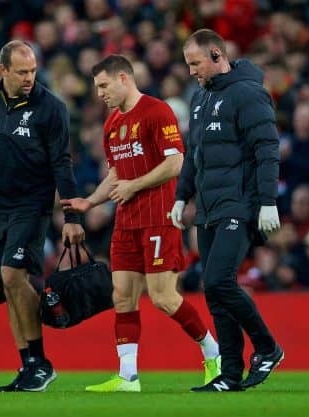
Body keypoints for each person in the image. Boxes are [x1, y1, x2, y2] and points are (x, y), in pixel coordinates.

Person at [61, 54, 221, 393]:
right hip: (127, 220)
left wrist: (135, 186)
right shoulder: (111, 124)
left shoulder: (156, 111)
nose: (100, 93)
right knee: (122, 297)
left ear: (123, 78)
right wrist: (89, 201)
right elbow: (117, 174)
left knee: (163, 297)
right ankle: (128, 376)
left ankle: (213, 352)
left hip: (160, 217)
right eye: (96, 88)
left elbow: (176, 162)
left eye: (103, 86)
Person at [0, 40, 85, 392]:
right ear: (3, 70)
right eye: (22, 71)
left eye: (33, 71)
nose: (29, 77)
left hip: (32, 205)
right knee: (9, 286)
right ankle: (28, 365)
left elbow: (62, 163)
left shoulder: (50, 107)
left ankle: (41, 362)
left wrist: (72, 216)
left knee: (12, 275)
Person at [171, 29, 284, 392]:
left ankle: (267, 347)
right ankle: (231, 374)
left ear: (217, 55)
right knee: (214, 291)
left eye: (195, 63)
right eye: (188, 65)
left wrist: (268, 201)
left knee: (220, 281)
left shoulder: (248, 93)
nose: (191, 72)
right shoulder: (201, 100)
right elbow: (195, 155)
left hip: (240, 203)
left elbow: (267, 147)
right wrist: (180, 196)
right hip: (207, 207)